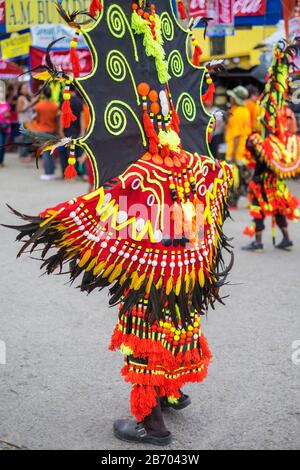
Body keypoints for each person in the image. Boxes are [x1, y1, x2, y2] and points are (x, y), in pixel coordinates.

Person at [5, 0, 234, 445]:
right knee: (182, 317)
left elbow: (97, 209)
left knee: (144, 326)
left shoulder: (141, 173)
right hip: (189, 265)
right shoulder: (191, 163)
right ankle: (174, 390)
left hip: (153, 270)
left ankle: (151, 425)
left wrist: (51, 222)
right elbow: (222, 178)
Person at [243, 40, 300, 252]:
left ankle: (257, 242)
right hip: (277, 174)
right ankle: (286, 239)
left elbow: (263, 142)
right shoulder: (278, 106)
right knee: (279, 206)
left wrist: (258, 170)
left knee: (258, 206)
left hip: (265, 171)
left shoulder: (267, 106)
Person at [225, 86, 252, 208]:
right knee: (240, 176)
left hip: (234, 151)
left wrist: (234, 155)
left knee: (233, 178)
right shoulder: (245, 111)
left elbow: (236, 136)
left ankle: (233, 202)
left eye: (232, 96)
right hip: (242, 150)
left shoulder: (237, 114)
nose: (230, 98)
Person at [29, 86, 60, 180]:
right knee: (51, 152)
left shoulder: (39, 105)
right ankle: (52, 171)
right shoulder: (55, 105)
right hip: (52, 130)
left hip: (42, 130)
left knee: (45, 153)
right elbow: (57, 119)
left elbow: (37, 118)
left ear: (43, 94)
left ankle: (48, 173)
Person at [58, 85, 86, 179]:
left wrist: (60, 131)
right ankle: (83, 174)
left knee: (69, 153)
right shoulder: (79, 101)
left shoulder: (65, 101)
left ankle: (70, 175)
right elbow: (82, 117)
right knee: (79, 152)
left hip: (68, 130)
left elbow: (62, 116)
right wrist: (82, 131)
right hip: (78, 131)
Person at [16, 83, 37, 162]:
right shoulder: (21, 98)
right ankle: (23, 155)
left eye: (27, 88)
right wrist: (29, 106)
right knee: (27, 139)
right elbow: (19, 110)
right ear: (21, 90)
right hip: (24, 121)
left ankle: (24, 154)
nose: (26, 89)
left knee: (27, 138)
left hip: (29, 120)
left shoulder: (27, 97)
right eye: (24, 88)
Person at [0, 93, 11, 168]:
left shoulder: (6, 104)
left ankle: (1, 162)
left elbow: (9, 113)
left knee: (4, 145)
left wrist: (7, 115)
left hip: (6, 126)